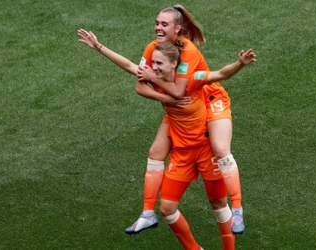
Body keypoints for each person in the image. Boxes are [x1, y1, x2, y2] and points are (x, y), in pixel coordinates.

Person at [77, 4, 245, 235]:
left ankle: (237, 208)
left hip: (208, 99)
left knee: (219, 148)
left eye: (163, 24)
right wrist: (99, 47)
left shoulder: (188, 53)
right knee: (155, 152)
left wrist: (164, 92)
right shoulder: (156, 50)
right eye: (157, 22)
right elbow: (137, 76)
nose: (157, 27)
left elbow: (179, 91)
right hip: (181, 108)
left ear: (178, 29)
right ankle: (147, 213)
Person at [144, 41, 256, 249]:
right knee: (167, 208)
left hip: (205, 149)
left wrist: (240, 64)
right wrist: (99, 47)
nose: (154, 66)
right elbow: (129, 67)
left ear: (174, 64)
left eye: (159, 63)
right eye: (153, 63)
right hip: (183, 152)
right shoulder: (155, 79)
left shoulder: (192, 79)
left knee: (218, 203)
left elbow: (220, 75)